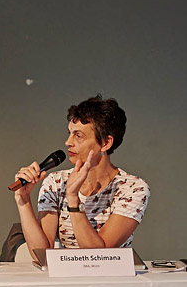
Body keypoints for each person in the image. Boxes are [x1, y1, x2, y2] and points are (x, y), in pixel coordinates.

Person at [13, 96, 149, 257]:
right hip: (68, 279)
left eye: (78, 136)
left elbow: (98, 256)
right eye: (70, 133)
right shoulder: (56, 182)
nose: (67, 142)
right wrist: (23, 199)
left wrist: (73, 199)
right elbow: (40, 255)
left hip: (111, 280)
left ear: (105, 143)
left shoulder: (132, 188)